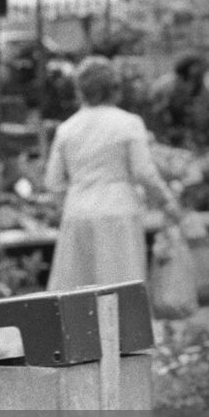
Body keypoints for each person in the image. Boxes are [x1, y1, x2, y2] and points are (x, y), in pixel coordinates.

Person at [45, 56, 182, 291]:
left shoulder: (67, 128)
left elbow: (53, 181)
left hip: (77, 213)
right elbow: (143, 172)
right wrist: (167, 202)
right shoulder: (129, 123)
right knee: (121, 293)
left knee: (77, 296)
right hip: (119, 211)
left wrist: (66, 204)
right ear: (115, 89)